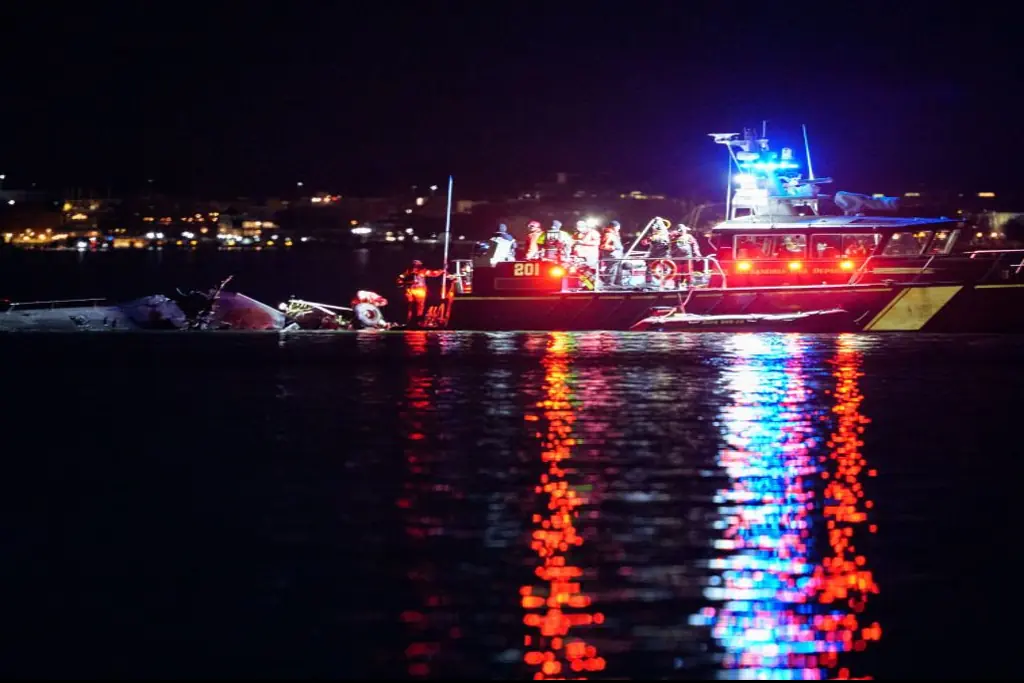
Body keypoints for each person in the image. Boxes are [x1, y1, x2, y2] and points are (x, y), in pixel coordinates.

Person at [396, 259, 444, 327]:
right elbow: (433, 273)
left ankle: (410, 321)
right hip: (419, 290)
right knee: (419, 306)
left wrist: (402, 284)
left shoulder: (408, 271)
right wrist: (442, 270)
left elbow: (400, 278)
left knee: (411, 306)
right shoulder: (422, 270)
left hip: (410, 290)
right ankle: (416, 321)